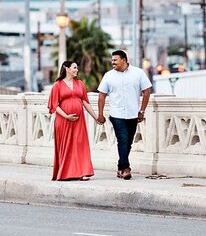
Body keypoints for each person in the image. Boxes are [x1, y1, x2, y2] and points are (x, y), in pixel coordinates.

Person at [96, 49, 152, 179]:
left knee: (128, 142)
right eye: (112, 60)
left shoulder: (138, 73)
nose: (112, 62)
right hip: (116, 114)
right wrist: (100, 114)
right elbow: (102, 95)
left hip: (133, 114)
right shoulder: (108, 75)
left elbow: (147, 91)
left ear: (124, 60)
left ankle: (120, 167)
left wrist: (142, 111)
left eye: (115, 60)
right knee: (123, 140)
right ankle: (126, 168)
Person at [47, 60, 99, 180]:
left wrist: (95, 117)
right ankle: (66, 173)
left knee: (80, 144)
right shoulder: (58, 85)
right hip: (63, 120)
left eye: (77, 68)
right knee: (67, 146)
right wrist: (66, 116)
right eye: (74, 67)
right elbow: (54, 105)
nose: (76, 70)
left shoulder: (80, 83)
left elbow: (85, 102)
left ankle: (83, 172)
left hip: (78, 120)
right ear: (66, 68)